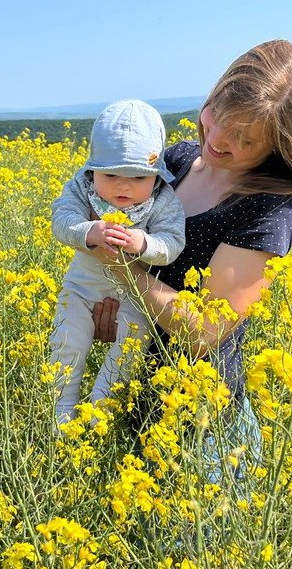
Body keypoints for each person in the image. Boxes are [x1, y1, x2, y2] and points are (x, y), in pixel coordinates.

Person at [88, 39, 292, 417]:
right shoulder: (178, 160)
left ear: (280, 144)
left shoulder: (271, 210)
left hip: (198, 426)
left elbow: (205, 331)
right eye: (216, 114)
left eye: (244, 138)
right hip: (123, 394)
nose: (218, 139)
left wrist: (120, 269)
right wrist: (108, 319)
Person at [50, 99, 186, 424]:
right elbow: (61, 219)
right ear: (92, 169)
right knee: (68, 342)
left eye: (139, 177)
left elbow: (172, 242)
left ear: (155, 177)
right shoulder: (81, 187)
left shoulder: (163, 199)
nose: (124, 186)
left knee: (129, 349)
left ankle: (101, 412)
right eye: (110, 174)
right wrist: (90, 231)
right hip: (81, 291)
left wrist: (144, 243)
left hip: (134, 299)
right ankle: (62, 412)